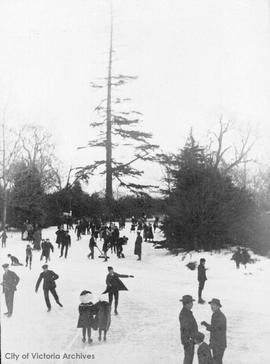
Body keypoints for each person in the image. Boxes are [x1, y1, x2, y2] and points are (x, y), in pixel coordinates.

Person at [201, 298, 227, 364]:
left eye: (214, 305)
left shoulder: (219, 315)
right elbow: (215, 328)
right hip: (217, 344)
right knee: (217, 361)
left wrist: (207, 326)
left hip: (219, 344)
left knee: (217, 361)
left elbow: (216, 329)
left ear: (218, 306)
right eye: (211, 305)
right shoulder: (216, 314)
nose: (212, 306)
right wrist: (207, 325)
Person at [179, 295, 198, 364]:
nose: (192, 304)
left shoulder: (187, 312)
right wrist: (191, 338)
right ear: (187, 304)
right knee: (188, 359)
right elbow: (185, 328)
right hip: (188, 341)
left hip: (190, 340)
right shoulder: (184, 314)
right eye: (191, 303)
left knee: (189, 358)